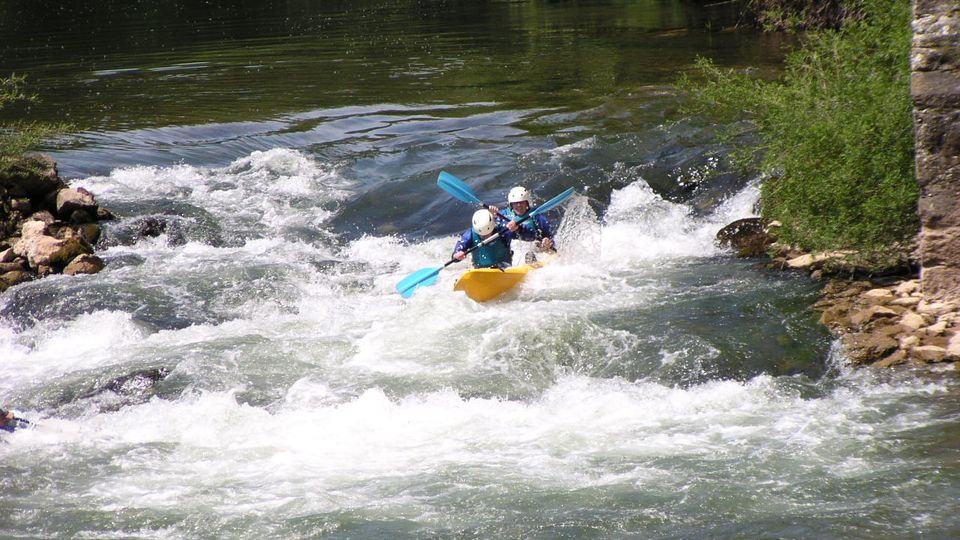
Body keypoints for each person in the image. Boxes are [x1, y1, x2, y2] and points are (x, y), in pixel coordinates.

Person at [490, 186, 555, 261]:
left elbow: (550, 236)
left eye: (521, 202)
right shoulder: (503, 215)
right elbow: (491, 230)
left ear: (527, 203)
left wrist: (547, 241)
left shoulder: (537, 217)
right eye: (515, 203)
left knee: (531, 251)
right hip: (512, 250)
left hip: (533, 247)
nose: (519, 206)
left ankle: (531, 261)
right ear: (511, 204)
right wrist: (491, 215)